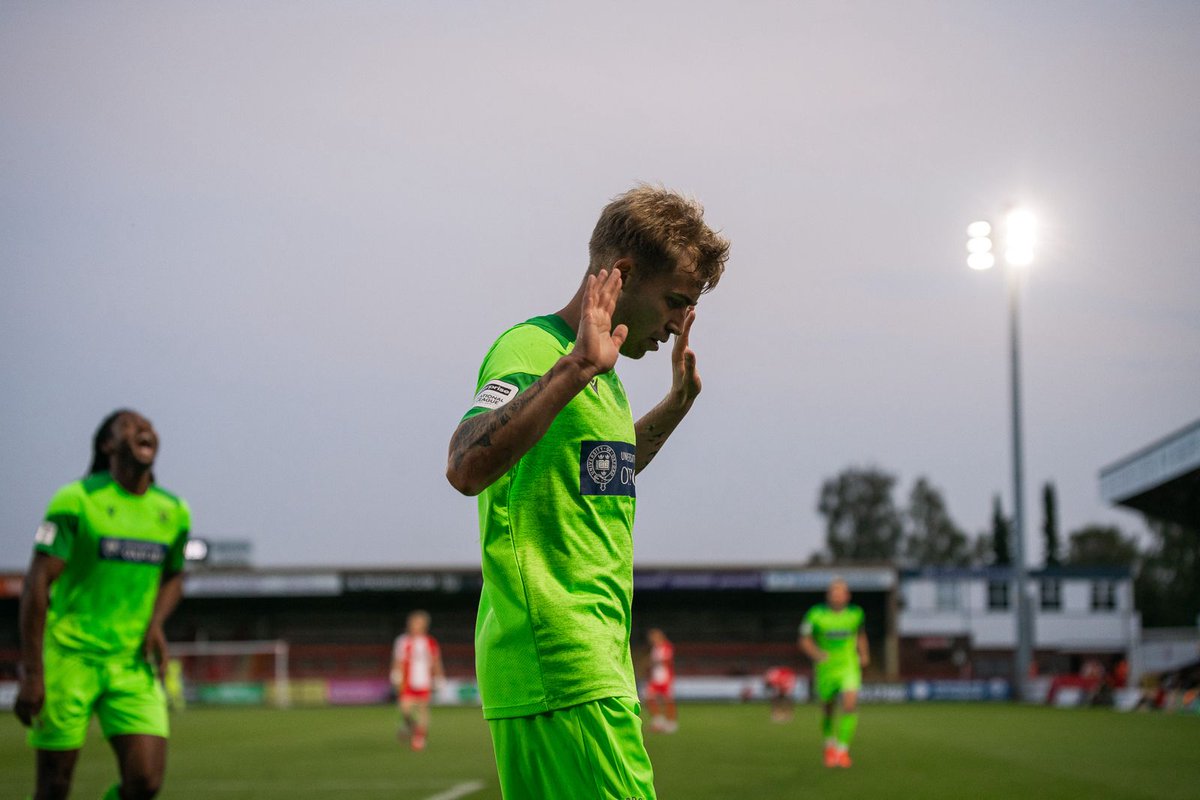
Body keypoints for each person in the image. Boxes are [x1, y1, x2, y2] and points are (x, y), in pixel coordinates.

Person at [446, 185, 729, 799]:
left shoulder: (607, 381)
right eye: (675, 300)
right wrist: (574, 369)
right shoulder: (535, 350)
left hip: (581, 667)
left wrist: (673, 409)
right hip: (565, 664)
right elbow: (465, 464)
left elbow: (606, 476)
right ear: (622, 275)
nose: (680, 321)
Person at [15, 409, 191, 800]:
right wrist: (32, 672)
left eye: (148, 425)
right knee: (54, 785)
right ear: (107, 445)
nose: (143, 428)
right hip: (70, 657)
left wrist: (155, 622)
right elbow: (36, 583)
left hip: (131, 664)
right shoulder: (76, 500)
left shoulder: (173, 511)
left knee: (145, 782)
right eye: (128, 425)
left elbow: (175, 576)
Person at [800, 578, 869, 769]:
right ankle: (829, 745)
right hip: (826, 668)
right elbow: (804, 640)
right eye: (834, 592)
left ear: (847, 596)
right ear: (828, 595)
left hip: (848, 666)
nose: (837, 595)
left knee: (849, 705)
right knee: (828, 709)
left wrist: (864, 654)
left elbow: (861, 635)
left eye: (841, 592)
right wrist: (817, 654)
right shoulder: (815, 614)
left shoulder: (856, 614)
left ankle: (843, 750)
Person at [391, 610, 445, 751]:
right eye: (414, 623)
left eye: (419, 623)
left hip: (424, 682)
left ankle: (419, 737)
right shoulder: (402, 641)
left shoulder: (430, 643)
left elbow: (436, 662)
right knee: (405, 709)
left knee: (422, 710)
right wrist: (396, 674)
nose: (415, 626)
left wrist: (439, 677)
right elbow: (398, 660)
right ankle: (409, 726)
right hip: (407, 682)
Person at [644, 628, 678, 733]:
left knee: (668, 700)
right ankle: (658, 721)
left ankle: (671, 723)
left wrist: (654, 661)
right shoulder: (655, 648)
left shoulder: (667, 646)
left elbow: (668, 661)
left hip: (665, 678)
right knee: (648, 698)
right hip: (655, 678)